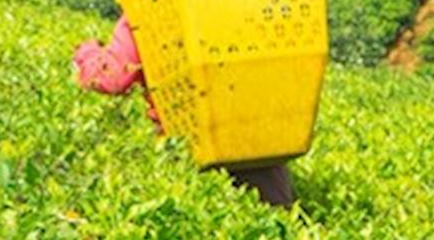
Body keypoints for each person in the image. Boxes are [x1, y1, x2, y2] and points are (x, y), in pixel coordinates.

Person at [73, 15, 295, 207]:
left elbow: (113, 77)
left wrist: (86, 53)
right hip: (256, 137)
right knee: (270, 232)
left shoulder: (150, 2)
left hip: (186, 141)